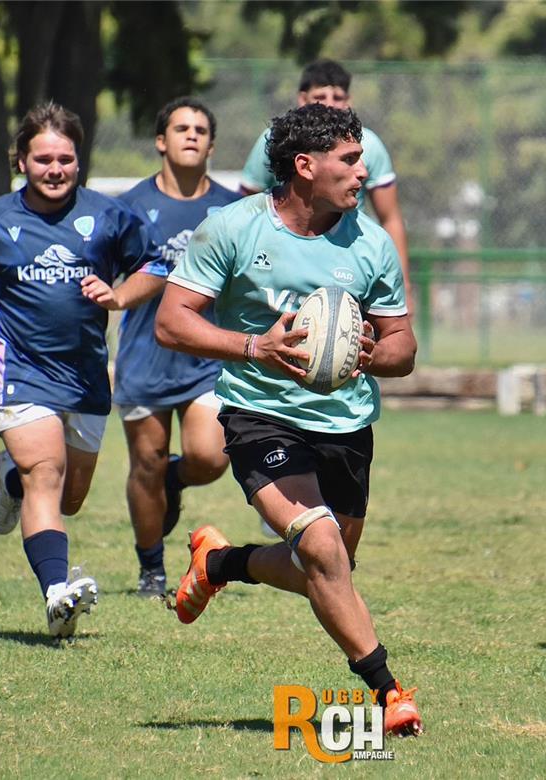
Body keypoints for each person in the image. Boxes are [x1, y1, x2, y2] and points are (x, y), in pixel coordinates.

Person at [156, 103, 423, 735]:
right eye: (351, 161)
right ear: (305, 166)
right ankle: (389, 692)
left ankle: (218, 563)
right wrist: (257, 348)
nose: (364, 173)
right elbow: (173, 321)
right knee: (322, 547)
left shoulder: (371, 243)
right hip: (260, 415)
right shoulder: (233, 229)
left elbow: (404, 348)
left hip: (347, 424)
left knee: (325, 569)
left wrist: (369, 357)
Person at [0, 102, 165, 638]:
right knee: (48, 474)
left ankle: (10, 478)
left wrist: (119, 295)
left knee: (70, 497)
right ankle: (57, 593)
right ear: (21, 161)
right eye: (43, 159)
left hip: (85, 374)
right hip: (20, 367)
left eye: (65, 159)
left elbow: (155, 265)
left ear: (78, 162)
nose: (55, 169)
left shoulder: (108, 216)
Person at [114, 97, 242, 598]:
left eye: (201, 129)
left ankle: (177, 479)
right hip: (145, 356)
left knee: (210, 458)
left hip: (207, 357)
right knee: (144, 464)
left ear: (211, 143)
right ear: (160, 141)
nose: (191, 135)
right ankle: (152, 570)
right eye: (180, 127)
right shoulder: (128, 206)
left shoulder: (233, 208)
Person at [239, 58, 410, 297]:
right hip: (282, 258)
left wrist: (403, 286)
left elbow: (390, 217)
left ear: (348, 102)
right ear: (302, 99)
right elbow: (247, 208)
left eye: (338, 98)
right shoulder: (274, 141)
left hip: (345, 256)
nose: (329, 105)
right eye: (320, 96)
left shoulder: (369, 144)